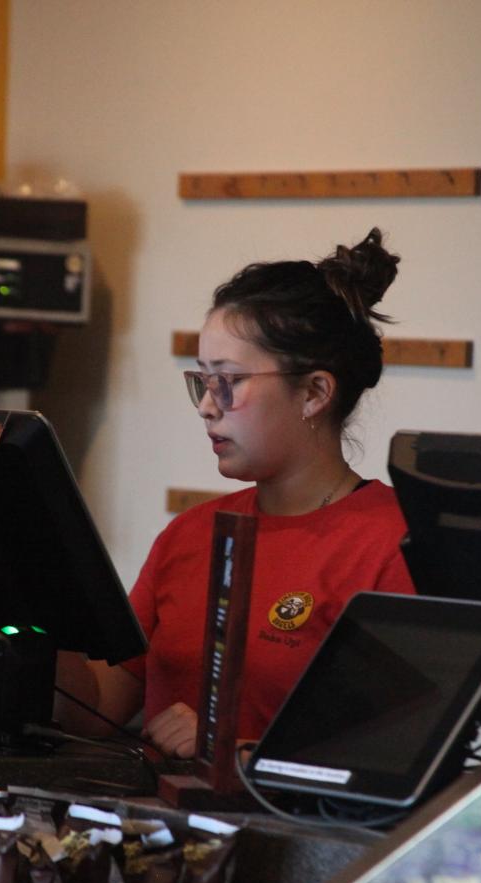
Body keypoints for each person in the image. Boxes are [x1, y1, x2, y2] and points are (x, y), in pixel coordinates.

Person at [57, 228, 416, 757]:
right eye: (202, 381)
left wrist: (238, 751)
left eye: (228, 381)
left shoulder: (390, 545)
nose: (207, 405)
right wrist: (34, 611)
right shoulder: (190, 534)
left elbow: (393, 749)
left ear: (315, 392)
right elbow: (97, 706)